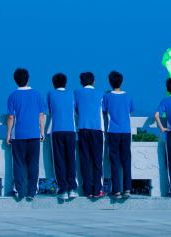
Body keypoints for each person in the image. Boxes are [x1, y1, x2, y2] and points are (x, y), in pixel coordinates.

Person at [6, 67, 46, 202]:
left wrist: (8, 134)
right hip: (34, 134)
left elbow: (11, 117)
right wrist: (42, 132)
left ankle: (19, 191)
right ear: (28, 79)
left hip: (18, 135)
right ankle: (31, 192)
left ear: (15, 80)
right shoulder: (37, 94)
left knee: (18, 163)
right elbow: (41, 115)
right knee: (33, 164)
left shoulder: (12, 96)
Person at [102, 70, 134, 199]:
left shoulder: (107, 97)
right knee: (126, 160)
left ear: (110, 82)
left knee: (114, 161)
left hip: (113, 131)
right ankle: (127, 189)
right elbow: (130, 111)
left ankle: (116, 191)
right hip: (126, 131)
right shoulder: (128, 97)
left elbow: (104, 111)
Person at [74, 71, 105, 199]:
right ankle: (97, 190)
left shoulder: (77, 93)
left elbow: (76, 109)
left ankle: (87, 190)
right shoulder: (100, 93)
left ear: (81, 82)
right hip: (97, 130)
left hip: (83, 129)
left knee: (85, 160)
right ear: (94, 81)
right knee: (97, 160)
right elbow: (103, 110)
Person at [47, 73, 77, 201]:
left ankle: (63, 189)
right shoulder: (72, 94)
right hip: (71, 130)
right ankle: (72, 188)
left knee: (59, 160)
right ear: (66, 83)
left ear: (53, 83)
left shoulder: (51, 94)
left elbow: (50, 110)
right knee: (71, 159)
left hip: (57, 129)